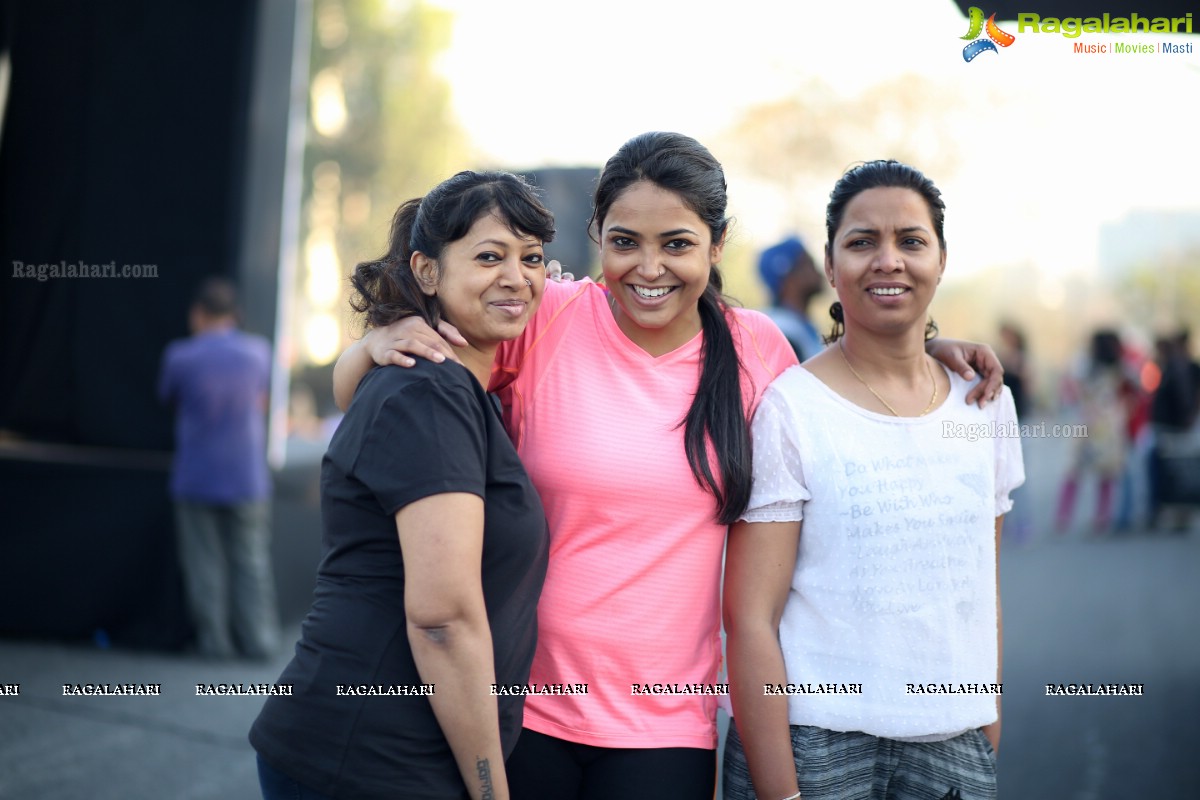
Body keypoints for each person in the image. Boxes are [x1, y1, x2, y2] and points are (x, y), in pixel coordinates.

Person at [333, 133, 1005, 799]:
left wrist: (930, 348)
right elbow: (383, 407)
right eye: (625, 242)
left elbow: (848, 394)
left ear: (716, 247)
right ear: (598, 238)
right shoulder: (548, 319)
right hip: (522, 707)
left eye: (676, 244)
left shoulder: (757, 350)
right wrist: (374, 345)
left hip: (666, 728)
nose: (648, 268)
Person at [722, 160, 1024, 800]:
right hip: (815, 744)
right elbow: (751, 617)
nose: (888, 260)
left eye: (911, 241)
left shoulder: (985, 401)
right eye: (862, 242)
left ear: (941, 260)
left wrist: (983, 722)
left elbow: (980, 584)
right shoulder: (790, 409)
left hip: (954, 740)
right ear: (831, 267)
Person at [249, 170, 554, 800]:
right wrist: (492, 791)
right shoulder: (429, 394)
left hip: (385, 751)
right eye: (489, 256)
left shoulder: (453, 386)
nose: (517, 277)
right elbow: (441, 619)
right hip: (368, 758)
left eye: (532, 259)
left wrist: (362, 350)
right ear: (428, 271)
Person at [158, 277, 279, 660]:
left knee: (204, 564)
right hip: (247, 475)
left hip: (197, 474)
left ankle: (214, 644)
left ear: (198, 314)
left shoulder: (180, 355)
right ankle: (260, 641)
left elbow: (170, 399)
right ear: (236, 315)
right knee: (252, 563)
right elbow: (261, 401)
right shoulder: (260, 353)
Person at [1054, 329, 1138, 535]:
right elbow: (1137, 385)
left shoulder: (1084, 363)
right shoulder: (1120, 365)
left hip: (1087, 420)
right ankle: (1102, 517)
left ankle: (1063, 517)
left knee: (1074, 471)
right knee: (1106, 473)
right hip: (1109, 424)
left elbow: (1071, 386)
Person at [758, 235, 826, 362]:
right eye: (809, 263)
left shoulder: (797, 324)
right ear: (789, 278)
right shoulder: (782, 332)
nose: (819, 271)